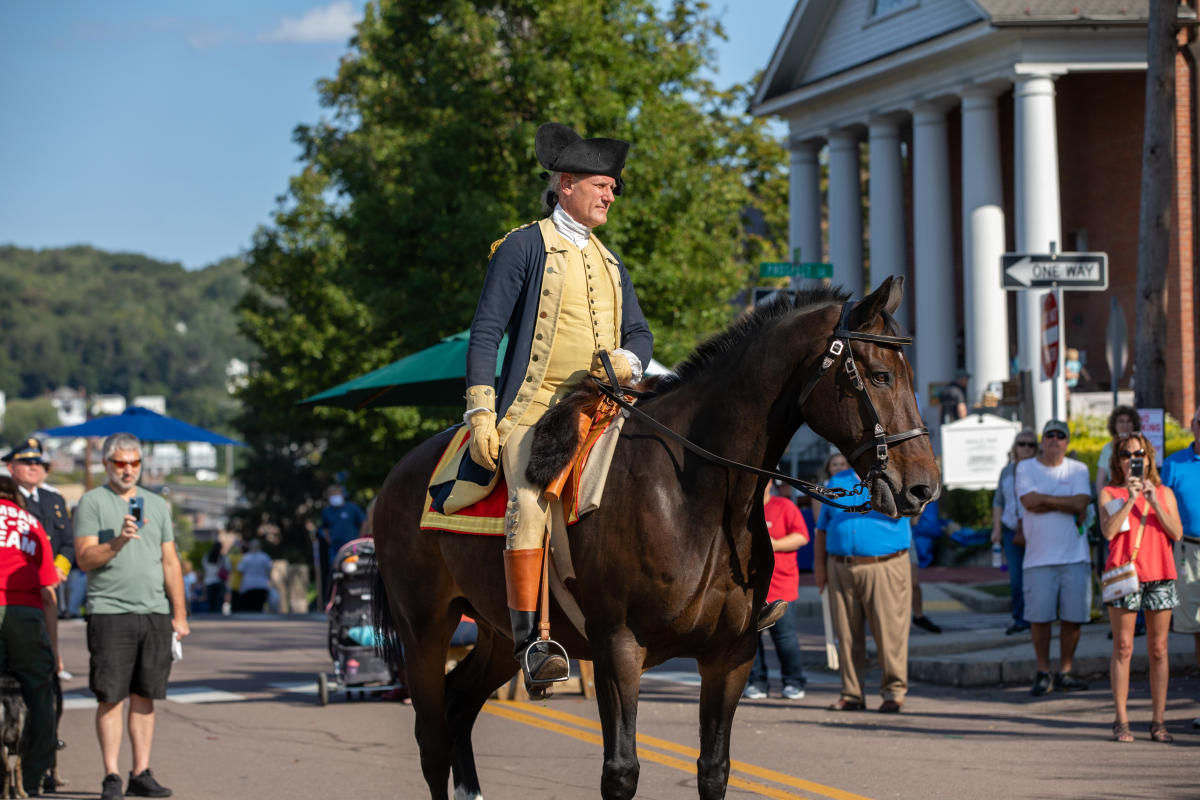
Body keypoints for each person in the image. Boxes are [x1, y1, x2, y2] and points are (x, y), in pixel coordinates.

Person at [464, 122, 653, 689]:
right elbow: (485, 333)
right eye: (602, 184)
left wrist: (627, 359)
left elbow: (640, 332)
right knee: (526, 489)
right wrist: (481, 409)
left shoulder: (612, 260)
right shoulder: (523, 245)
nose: (610, 195)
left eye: (614, 188)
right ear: (565, 184)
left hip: (606, 402)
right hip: (536, 404)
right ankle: (530, 641)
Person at [75, 433, 189, 799]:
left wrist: (180, 614)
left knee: (145, 695)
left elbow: (170, 561)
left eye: (134, 463)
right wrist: (119, 541)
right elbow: (84, 559)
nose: (128, 470)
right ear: (106, 464)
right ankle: (111, 775)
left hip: (154, 611)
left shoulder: (156, 505)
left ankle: (141, 771)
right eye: (120, 463)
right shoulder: (92, 502)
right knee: (110, 695)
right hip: (110, 611)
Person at [1098, 432, 1182, 743]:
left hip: (1159, 573)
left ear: (1148, 458)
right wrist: (1131, 498)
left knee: (1159, 649)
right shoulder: (1109, 492)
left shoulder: (1164, 492)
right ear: (1118, 462)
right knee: (1123, 647)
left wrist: (1153, 501)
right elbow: (1107, 532)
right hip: (1124, 575)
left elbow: (1176, 533)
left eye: (1139, 453)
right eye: (1126, 454)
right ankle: (1121, 719)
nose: (1133, 459)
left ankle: (1158, 721)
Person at [814, 463, 913, 713]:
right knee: (846, 635)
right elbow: (822, 528)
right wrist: (820, 567)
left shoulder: (896, 477)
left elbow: (915, 511)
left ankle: (893, 692)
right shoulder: (837, 480)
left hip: (884, 564)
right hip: (840, 565)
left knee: (890, 633)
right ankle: (852, 693)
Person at [1016, 420, 1092, 697]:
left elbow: (1081, 503)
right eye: (1050, 434)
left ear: (1067, 442)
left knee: (1073, 619)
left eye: (1061, 436)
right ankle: (1043, 671)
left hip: (1075, 557)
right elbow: (1028, 502)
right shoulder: (1025, 467)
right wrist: (1066, 503)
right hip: (1038, 559)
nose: (1055, 439)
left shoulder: (1079, 469)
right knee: (1041, 618)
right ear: (1042, 439)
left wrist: (1046, 501)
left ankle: (1066, 671)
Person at [0, 476, 60, 797]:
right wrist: (53, 647)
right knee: (40, 693)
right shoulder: (31, 524)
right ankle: (34, 777)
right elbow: (48, 590)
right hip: (25, 610)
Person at [743, 482, 809, 701]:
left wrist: (775, 544)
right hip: (750, 588)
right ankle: (757, 682)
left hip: (781, 585)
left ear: (772, 482)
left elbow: (802, 536)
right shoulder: (745, 508)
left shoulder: (785, 506)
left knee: (785, 637)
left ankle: (794, 681)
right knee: (751, 639)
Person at [2, 437, 75, 620]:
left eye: (38, 463)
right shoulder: (8, 500)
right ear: (11, 467)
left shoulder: (54, 499)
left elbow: (68, 542)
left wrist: (58, 570)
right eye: (27, 463)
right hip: (21, 587)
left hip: (52, 585)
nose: (34, 467)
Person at [1161, 405, 1200, 728]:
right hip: (1188, 551)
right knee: (1197, 630)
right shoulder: (1174, 464)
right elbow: (1162, 513)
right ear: (1193, 425)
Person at [992, 428, 1037, 635]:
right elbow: (998, 501)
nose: (1026, 448)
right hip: (1011, 529)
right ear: (1015, 448)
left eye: (1031, 444)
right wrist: (997, 529)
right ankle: (1020, 618)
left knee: (1035, 576)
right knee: (1016, 578)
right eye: (1022, 444)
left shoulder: (1040, 469)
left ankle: (1037, 618)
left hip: (1036, 530)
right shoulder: (1006, 471)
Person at [318, 486, 365, 603]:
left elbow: (363, 522)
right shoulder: (327, 511)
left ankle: (357, 597)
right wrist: (330, 540)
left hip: (353, 547)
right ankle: (335, 599)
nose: (334, 497)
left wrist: (360, 538)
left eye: (336, 494)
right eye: (332, 495)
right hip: (335, 549)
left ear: (342, 495)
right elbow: (325, 529)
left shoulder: (352, 508)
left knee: (356, 570)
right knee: (335, 573)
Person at [1095, 405, 1141, 499]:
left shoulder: (1141, 446)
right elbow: (1100, 481)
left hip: (1139, 493)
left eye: (1129, 421)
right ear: (1114, 425)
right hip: (1114, 496)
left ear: (1134, 424)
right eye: (1121, 421)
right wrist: (1104, 501)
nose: (1125, 425)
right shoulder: (1107, 448)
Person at [235, 539, 272, 613]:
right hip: (262, 584)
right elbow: (269, 569)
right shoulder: (265, 557)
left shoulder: (246, 557)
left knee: (249, 608)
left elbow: (240, 570)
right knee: (259, 607)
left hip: (248, 585)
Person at [200, 541, 228, 614]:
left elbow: (204, 567)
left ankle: (211, 617)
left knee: (210, 601)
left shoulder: (207, 557)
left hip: (209, 581)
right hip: (219, 581)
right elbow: (228, 568)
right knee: (218, 602)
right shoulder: (222, 558)